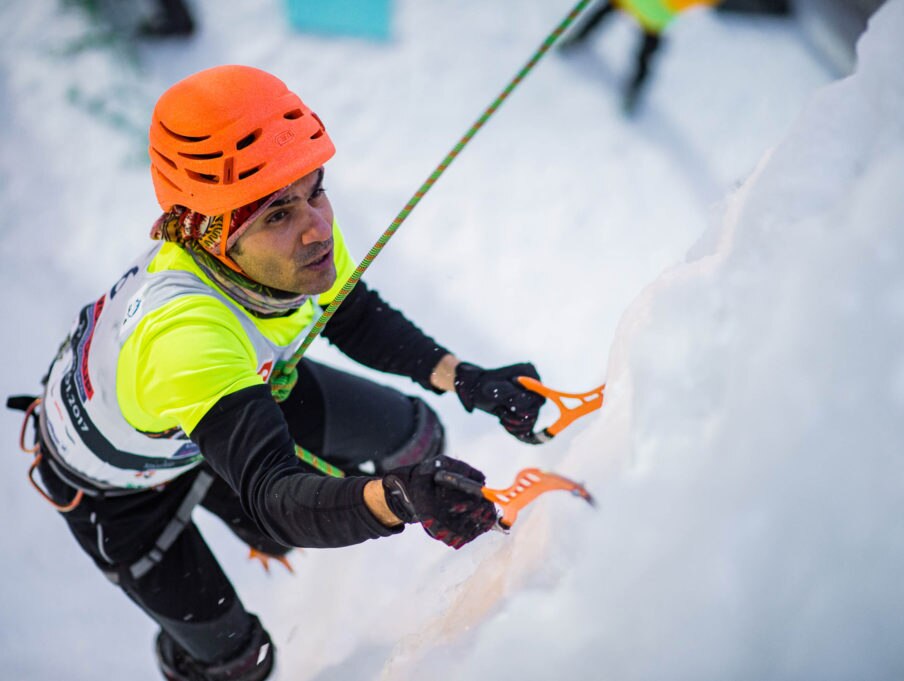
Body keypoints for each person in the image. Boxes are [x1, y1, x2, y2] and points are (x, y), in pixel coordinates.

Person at [12, 65, 545, 681]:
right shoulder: (184, 334)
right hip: (119, 494)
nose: (317, 227)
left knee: (416, 438)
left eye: (315, 189)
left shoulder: (300, 244)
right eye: (276, 215)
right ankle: (192, 655)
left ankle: (267, 496)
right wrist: (397, 498)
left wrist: (467, 378)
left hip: (217, 410)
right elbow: (273, 495)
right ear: (215, 239)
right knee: (240, 661)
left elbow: (353, 315)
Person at [560, 0, 722, 116]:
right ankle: (579, 38)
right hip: (655, 13)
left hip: (654, 12)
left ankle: (634, 88)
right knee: (645, 52)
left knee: (645, 52)